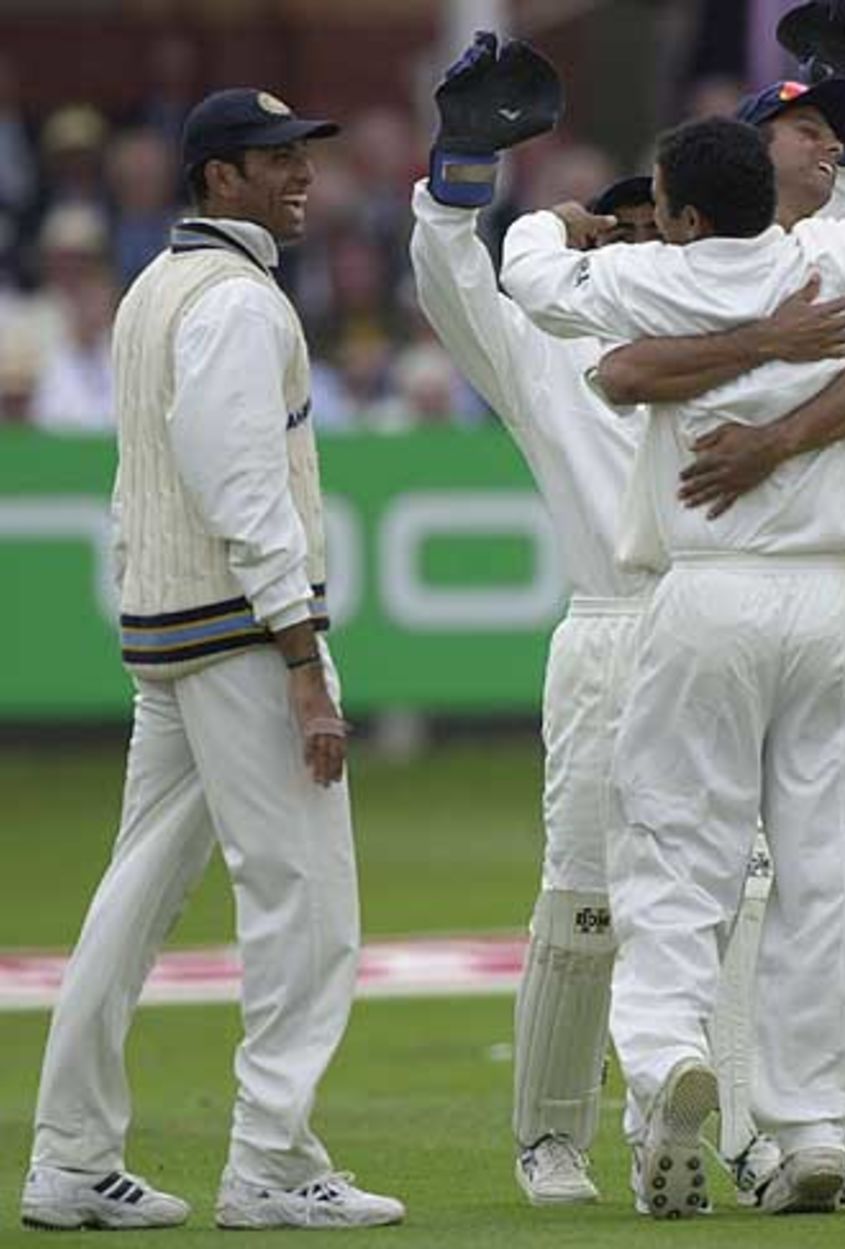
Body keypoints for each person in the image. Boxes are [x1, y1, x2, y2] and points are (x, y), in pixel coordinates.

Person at [410, 34, 845, 1210]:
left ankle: (729, 1131)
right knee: (591, 900)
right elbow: (455, 284)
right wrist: (458, 181)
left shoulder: (746, 309)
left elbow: (837, 256)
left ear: (687, 228)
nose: (642, 235)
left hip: (714, 613)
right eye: (623, 220)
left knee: (735, 903)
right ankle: (552, 1139)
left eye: (657, 220)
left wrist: (830, 148)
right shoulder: (553, 346)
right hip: (619, 630)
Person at [502, 108, 845, 1217]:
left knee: (675, 849)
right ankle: (809, 1123)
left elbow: (528, 272)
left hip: (706, 586)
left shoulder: (651, 280)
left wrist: (565, 219)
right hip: (838, 600)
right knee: (823, 866)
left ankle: (668, 1058)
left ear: (678, 212)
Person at [19, 88, 404, 1231]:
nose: (299, 176)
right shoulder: (235, 302)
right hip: (237, 634)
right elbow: (240, 484)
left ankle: (71, 1158)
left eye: (301, 157)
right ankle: (271, 1162)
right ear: (215, 178)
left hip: (169, 634)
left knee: (131, 900)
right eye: (272, 159)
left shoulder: (155, 289)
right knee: (307, 900)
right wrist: (300, 653)